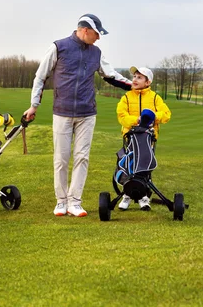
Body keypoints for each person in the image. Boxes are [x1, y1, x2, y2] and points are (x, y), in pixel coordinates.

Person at [23, 14, 131, 217]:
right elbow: (40, 76)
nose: (99, 38)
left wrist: (132, 85)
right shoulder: (58, 47)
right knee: (61, 159)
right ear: (85, 30)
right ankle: (61, 201)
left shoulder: (96, 53)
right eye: (97, 34)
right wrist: (33, 106)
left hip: (87, 114)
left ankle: (75, 202)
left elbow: (111, 75)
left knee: (82, 157)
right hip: (62, 113)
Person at [116, 66, 171, 211]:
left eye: (139, 77)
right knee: (130, 165)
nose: (135, 79)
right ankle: (127, 196)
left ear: (148, 82)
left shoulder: (154, 97)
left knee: (146, 167)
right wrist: (137, 120)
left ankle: (144, 197)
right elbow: (122, 116)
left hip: (148, 138)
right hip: (130, 137)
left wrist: (153, 117)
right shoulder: (126, 97)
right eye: (134, 76)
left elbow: (166, 114)